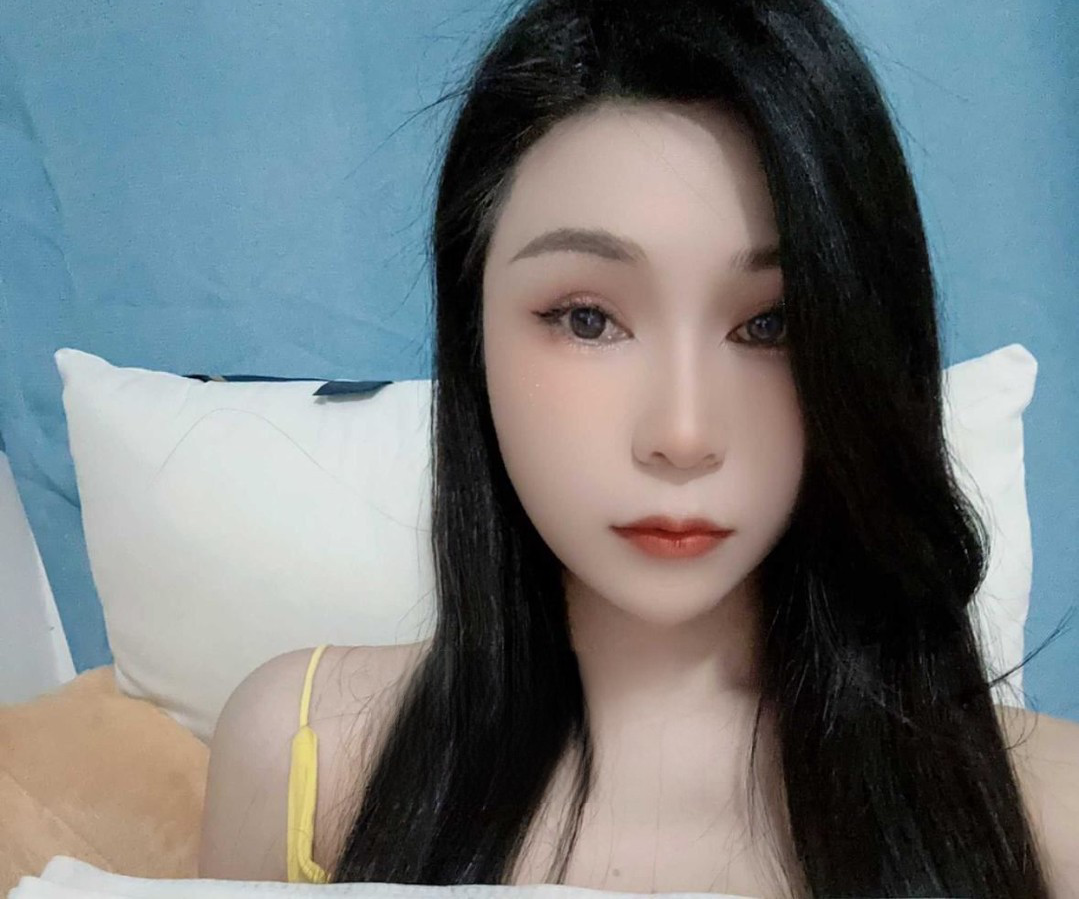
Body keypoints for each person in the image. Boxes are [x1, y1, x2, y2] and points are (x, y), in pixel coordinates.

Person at [199, 0, 1079, 895]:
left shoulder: (1053, 815)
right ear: (473, 333)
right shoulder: (304, 755)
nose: (681, 436)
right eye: (587, 319)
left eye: (771, 324)